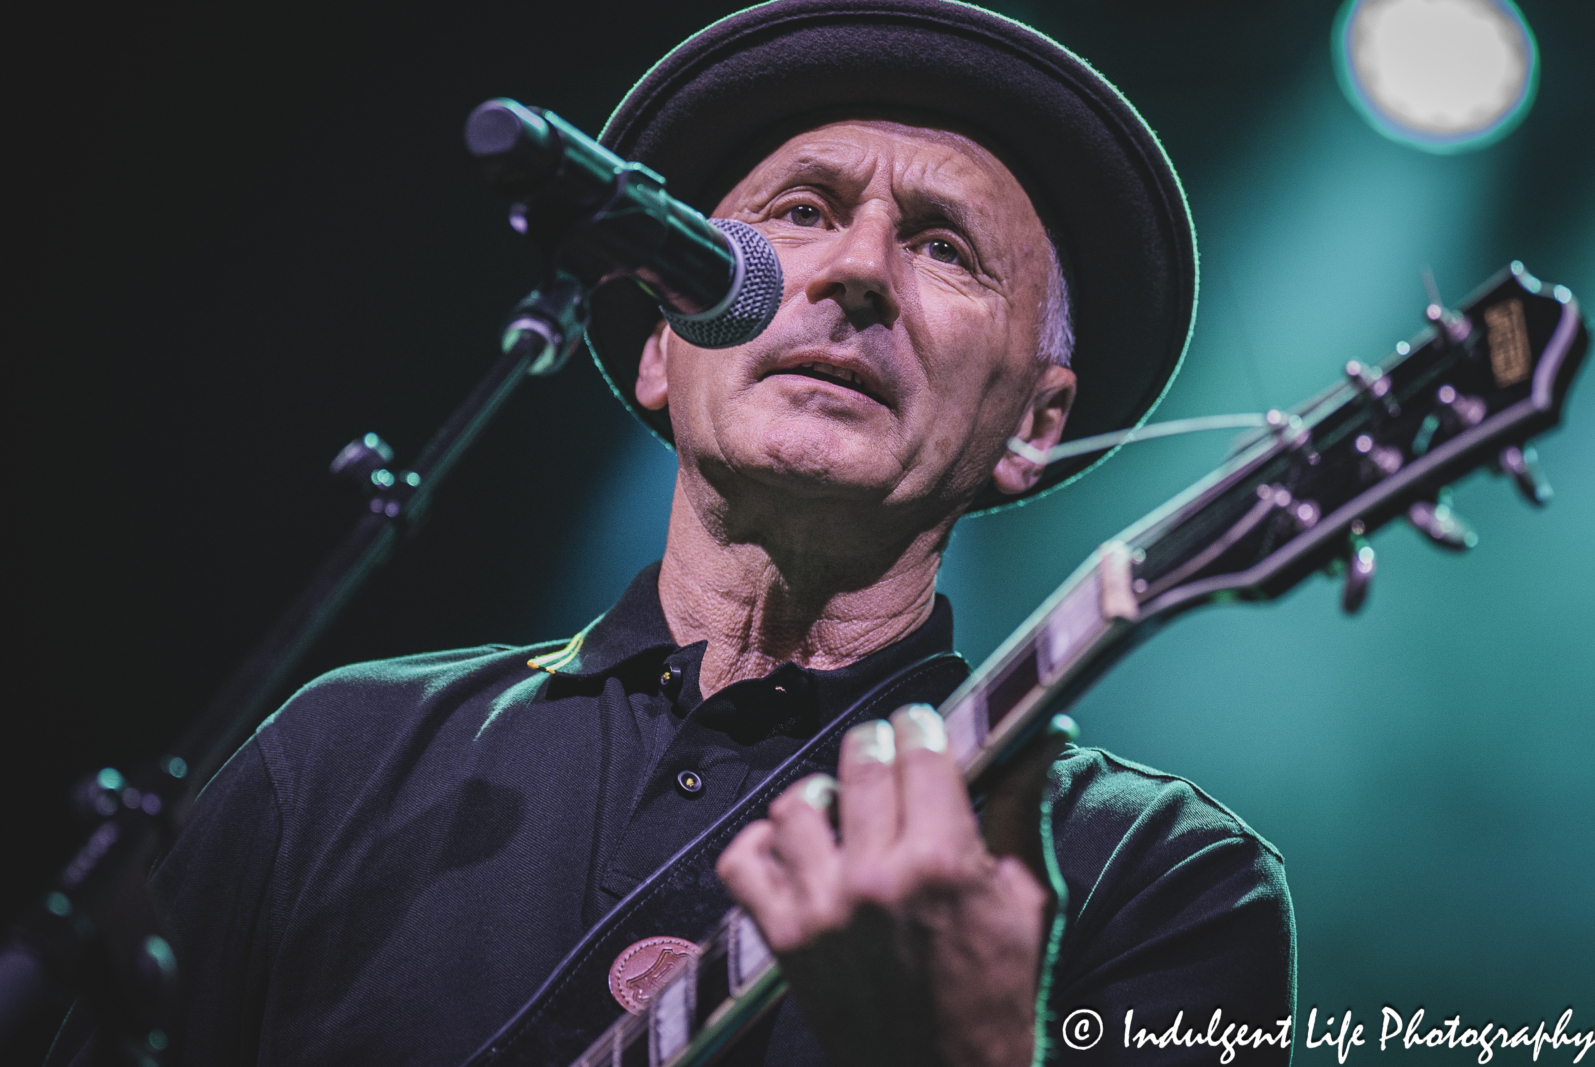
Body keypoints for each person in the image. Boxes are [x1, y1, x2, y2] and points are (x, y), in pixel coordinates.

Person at [47, 2, 1293, 1065]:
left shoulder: (1150, 875)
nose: (855, 270)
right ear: (658, 344)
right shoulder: (334, 753)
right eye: (801, 210)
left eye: (944, 248)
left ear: (1034, 422)